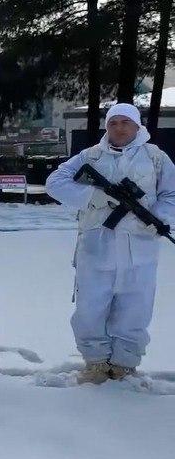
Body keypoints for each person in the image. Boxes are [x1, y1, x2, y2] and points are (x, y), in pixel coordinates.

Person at [46, 102, 175, 384]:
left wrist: (157, 218)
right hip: (96, 247)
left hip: (140, 249)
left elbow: (171, 194)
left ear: (137, 126)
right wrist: (93, 196)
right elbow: (55, 182)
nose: (119, 128)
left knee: (135, 309)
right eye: (113, 123)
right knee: (90, 308)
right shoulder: (91, 156)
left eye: (125, 123)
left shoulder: (155, 158)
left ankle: (124, 364)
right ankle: (94, 362)